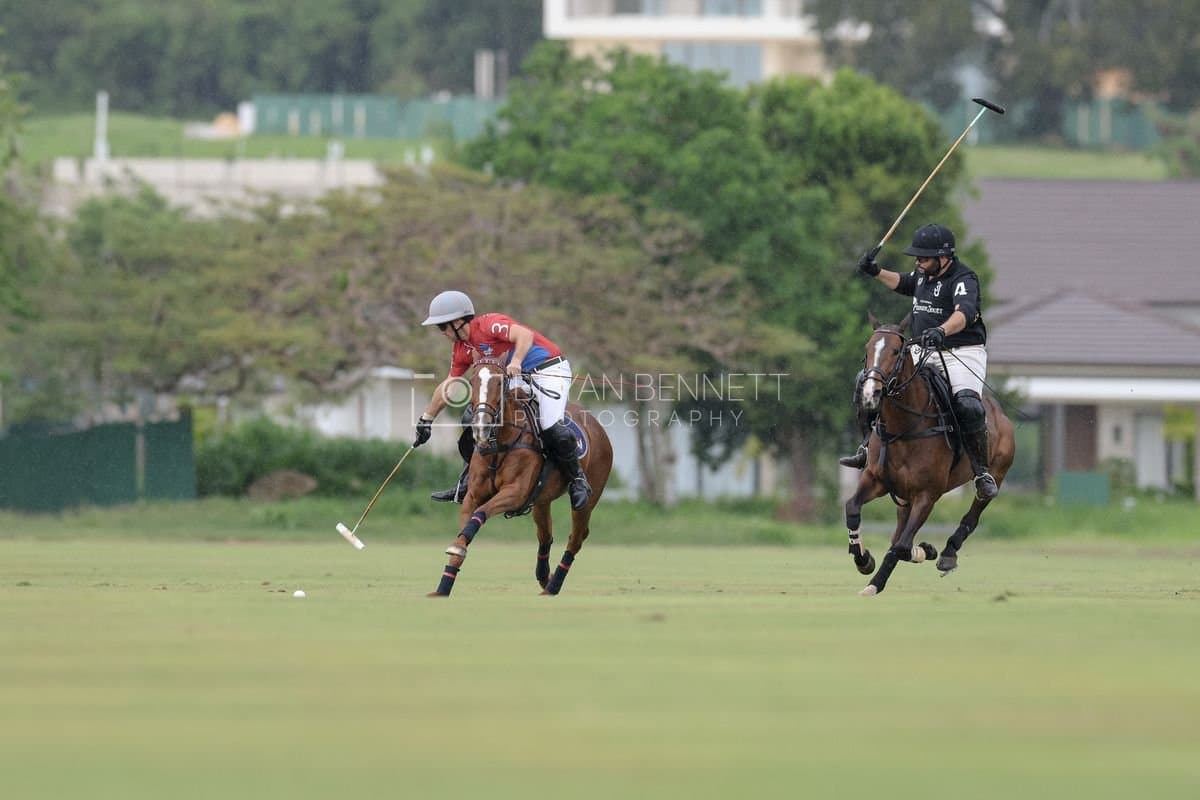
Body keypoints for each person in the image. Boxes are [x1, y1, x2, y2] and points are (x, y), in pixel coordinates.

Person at [842, 223, 999, 500]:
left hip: (961, 351)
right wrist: (875, 271)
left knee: (968, 404)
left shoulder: (964, 279)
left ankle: (980, 472)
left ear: (944, 258)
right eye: (917, 257)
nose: (918, 262)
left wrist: (942, 330)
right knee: (868, 383)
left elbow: (965, 312)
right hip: (922, 348)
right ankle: (867, 447)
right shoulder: (924, 275)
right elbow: (903, 282)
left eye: (923, 257)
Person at [412, 290, 593, 510]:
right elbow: (449, 384)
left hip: (548, 369)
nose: (441, 332)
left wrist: (516, 361)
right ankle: (466, 481)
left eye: (442, 326)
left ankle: (577, 480)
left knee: (549, 423)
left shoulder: (490, 324)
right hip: (514, 378)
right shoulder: (462, 349)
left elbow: (524, 335)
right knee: (474, 416)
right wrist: (427, 418)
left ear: (458, 322)